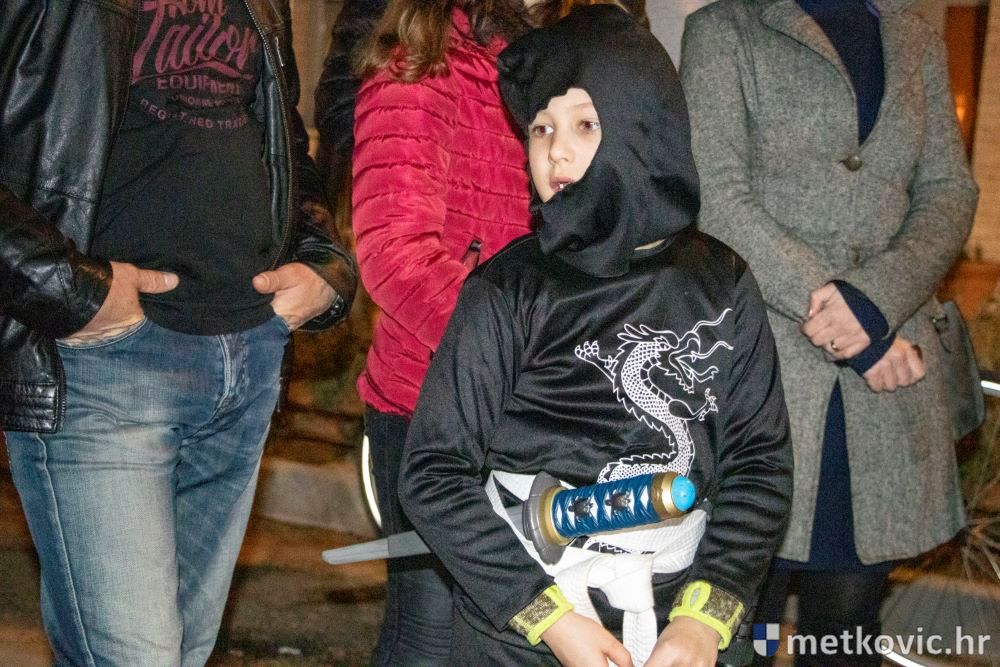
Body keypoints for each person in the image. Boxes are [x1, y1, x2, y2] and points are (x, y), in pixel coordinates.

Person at [397, 6, 793, 665]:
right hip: (524, 622)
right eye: (541, 127)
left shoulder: (721, 282)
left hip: (680, 612)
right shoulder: (510, 287)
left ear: (644, 126)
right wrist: (547, 616)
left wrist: (705, 616)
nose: (555, 149)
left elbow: (759, 462)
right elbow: (433, 471)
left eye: (585, 123)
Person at [0, 1, 357, 664]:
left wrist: (321, 261)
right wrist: (70, 290)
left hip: (245, 357)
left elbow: (281, 137)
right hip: (103, 366)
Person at [681, 1, 979, 663]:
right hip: (762, 377)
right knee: (740, 627)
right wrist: (846, 317)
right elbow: (717, 198)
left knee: (844, 629)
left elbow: (949, 190)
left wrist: (874, 302)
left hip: (881, 396)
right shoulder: (726, 28)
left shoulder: (913, 32)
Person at [349, 0, 540, 662]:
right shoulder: (418, 62)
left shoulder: (552, 62)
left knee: (512, 633)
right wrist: (519, 359)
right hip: (428, 406)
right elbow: (395, 255)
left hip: (531, 407)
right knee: (429, 633)